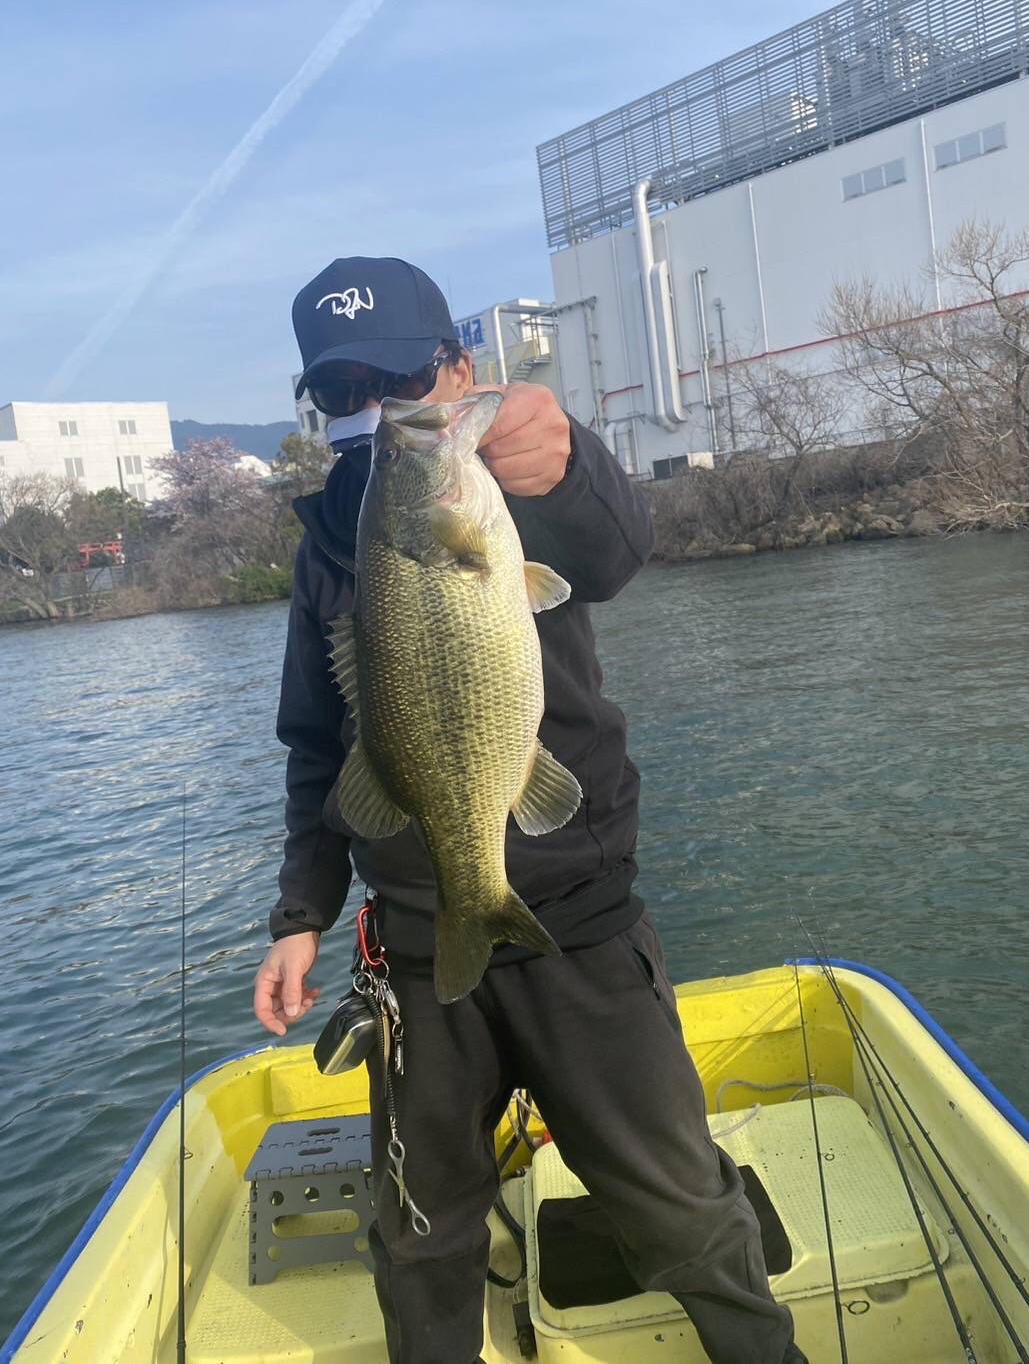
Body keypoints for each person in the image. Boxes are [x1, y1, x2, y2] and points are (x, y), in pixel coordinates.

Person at [253, 256, 806, 1364]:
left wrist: (569, 466)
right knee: (420, 1237)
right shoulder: (328, 546)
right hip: (418, 947)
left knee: (682, 1208)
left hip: (580, 923)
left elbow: (617, 550)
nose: (381, 408)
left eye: (402, 376)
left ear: (461, 369)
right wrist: (301, 913)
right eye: (347, 389)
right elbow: (319, 747)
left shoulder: (508, 484)